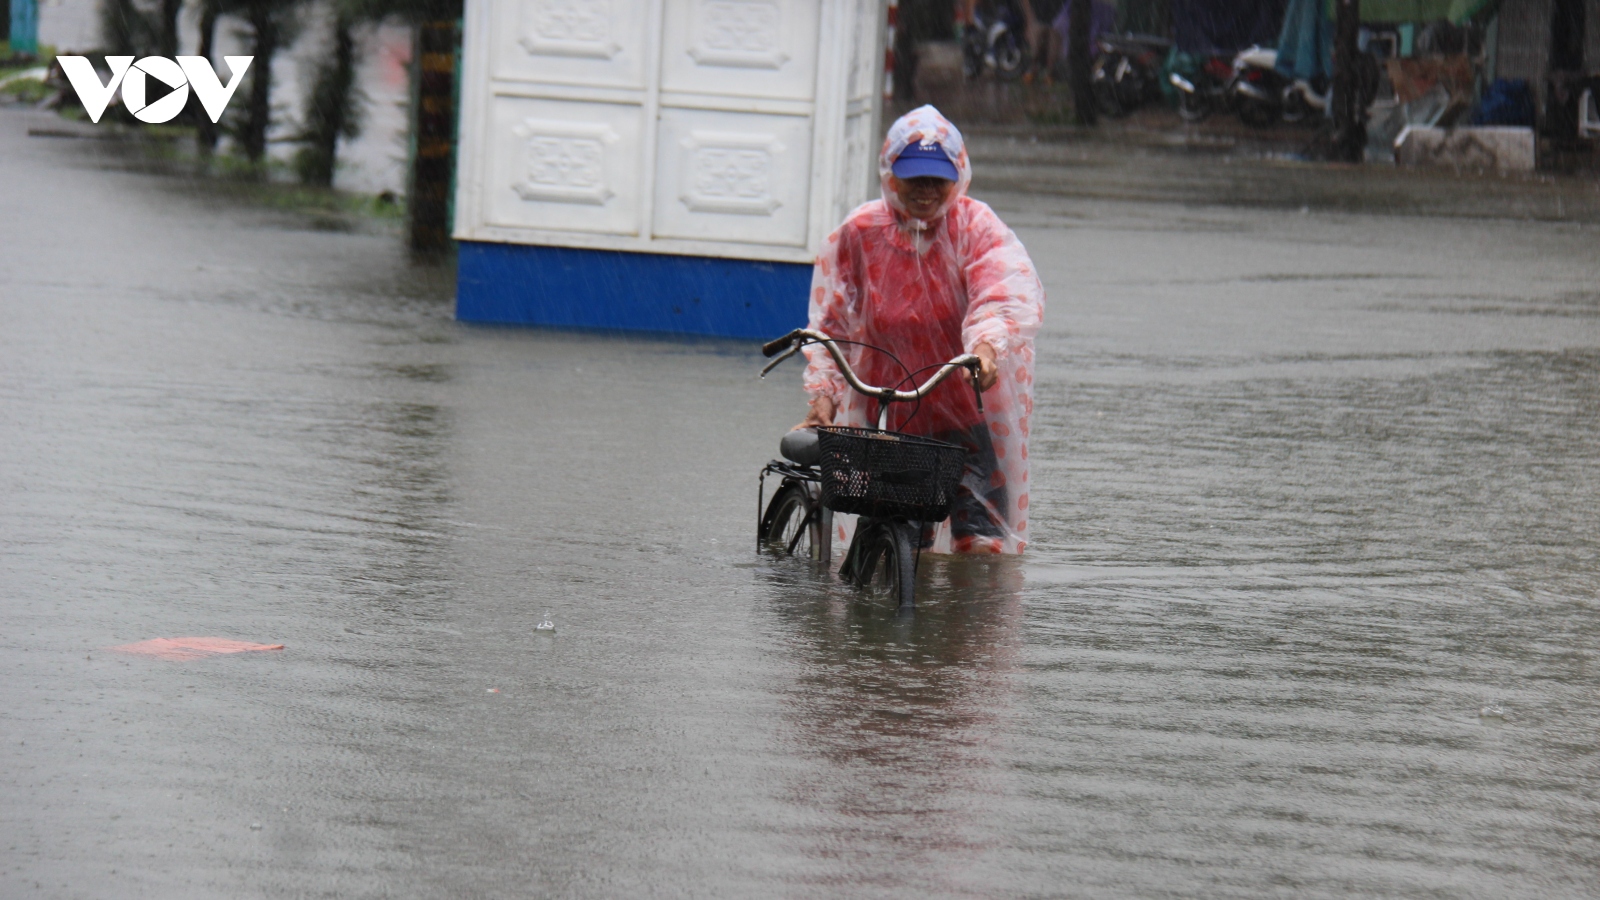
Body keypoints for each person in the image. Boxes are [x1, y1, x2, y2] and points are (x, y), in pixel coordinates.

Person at [795, 106, 1044, 555]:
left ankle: (966, 626)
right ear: (891, 176)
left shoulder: (976, 228)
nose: (926, 191)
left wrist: (987, 348)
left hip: (966, 416)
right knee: (893, 542)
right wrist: (824, 396)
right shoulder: (859, 233)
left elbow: (1002, 292)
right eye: (914, 179)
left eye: (937, 179)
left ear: (958, 176)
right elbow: (832, 322)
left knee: (982, 547)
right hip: (891, 416)